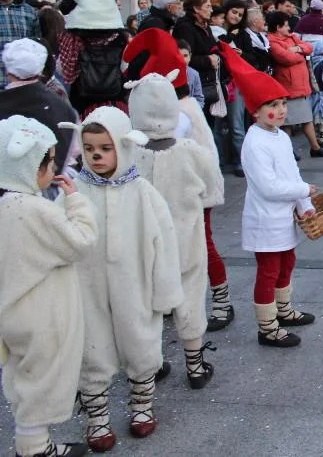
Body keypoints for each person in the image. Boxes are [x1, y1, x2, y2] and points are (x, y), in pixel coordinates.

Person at [64, 108, 183, 452]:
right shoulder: (75, 193)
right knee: (91, 347)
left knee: (140, 343)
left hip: (136, 285)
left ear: (124, 145)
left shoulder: (143, 192)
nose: (96, 155)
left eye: (106, 148)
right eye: (89, 148)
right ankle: (97, 417)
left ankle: (142, 405)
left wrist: (165, 291)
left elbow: (164, 242)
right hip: (87, 287)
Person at [0, 115, 97, 457]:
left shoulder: (4, 206)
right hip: (43, 314)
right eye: (50, 161)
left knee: (22, 379)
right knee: (42, 383)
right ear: (30, 167)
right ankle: (35, 450)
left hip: (11, 312)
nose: (54, 167)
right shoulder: (37, 211)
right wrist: (76, 202)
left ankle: (32, 445)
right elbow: (81, 241)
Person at [127, 72, 220, 389]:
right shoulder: (191, 151)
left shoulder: (128, 153)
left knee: (146, 303)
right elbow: (211, 187)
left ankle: (149, 363)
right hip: (185, 237)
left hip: (142, 243)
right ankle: (195, 364)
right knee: (190, 295)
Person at [221, 45, 317, 348]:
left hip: (284, 216)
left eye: (283, 103)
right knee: (269, 270)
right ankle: (267, 326)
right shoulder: (255, 142)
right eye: (273, 105)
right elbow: (268, 186)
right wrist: (303, 191)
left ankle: (283, 310)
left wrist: (305, 205)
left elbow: (292, 173)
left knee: (287, 262)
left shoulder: (280, 136)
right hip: (265, 219)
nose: (282, 109)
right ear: (256, 111)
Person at [0, 39, 79, 183]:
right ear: (41, 68)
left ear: (8, 70)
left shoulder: (4, 102)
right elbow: (74, 151)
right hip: (51, 185)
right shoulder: (62, 107)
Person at [266, 11, 323, 158]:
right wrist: (302, 55)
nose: (289, 28)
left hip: (301, 84)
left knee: (303, 119)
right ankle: (293, 150)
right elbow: (286, 58)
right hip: (289, 86)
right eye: (286, 25)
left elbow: (309, 48)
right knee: (288, 122)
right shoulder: (272, 41)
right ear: (278, 27)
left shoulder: (291, 37)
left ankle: (312, 147)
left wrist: (297, 49)